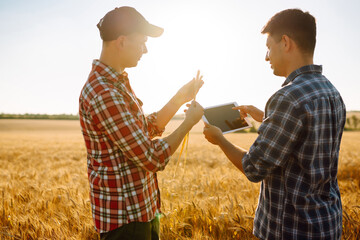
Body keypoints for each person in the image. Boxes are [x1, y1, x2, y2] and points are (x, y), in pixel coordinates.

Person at [203, 9, 345, 240]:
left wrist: (220, 139)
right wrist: (264, 116)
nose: (266, 57)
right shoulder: (331, 91)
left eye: (268, 47)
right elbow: (306, 136)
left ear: (285, 43)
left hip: (291, 229)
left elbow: (254, 167)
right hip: (327, 223)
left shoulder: (288, 97)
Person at [79, 6, 204, 240]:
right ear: (122, 41)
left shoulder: (116, 83)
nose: (145, 50)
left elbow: (141, 130)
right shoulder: (104, 92)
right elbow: (151, 157)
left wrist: (179, 98)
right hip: (126, 221)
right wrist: (188, 123)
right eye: (143, 42)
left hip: (141, 211)